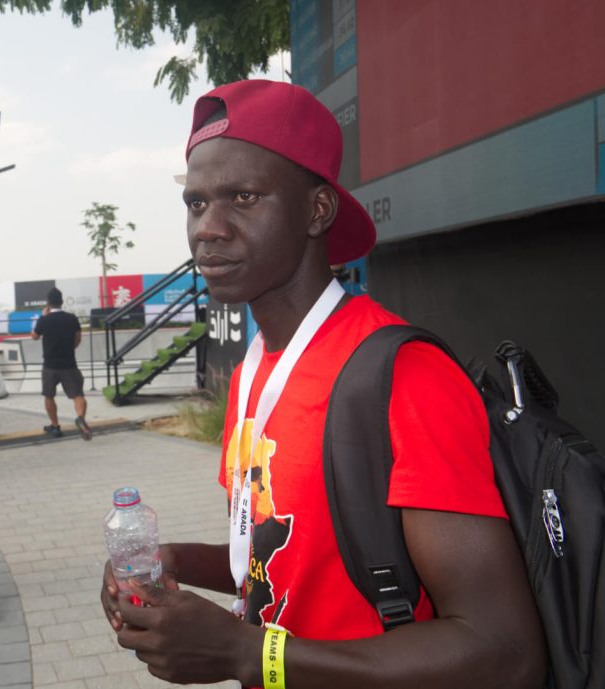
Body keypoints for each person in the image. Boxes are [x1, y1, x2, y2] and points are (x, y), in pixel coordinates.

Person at [99, 79, 545, 689]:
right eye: (197, 203)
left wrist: (247, 657)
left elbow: (503, 651)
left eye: (244, 196)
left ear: (317, 210)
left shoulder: (402, 376)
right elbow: (289, 563)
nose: (209, 227)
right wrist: (170, 562)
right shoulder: (255, 371)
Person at [32, 287, 91, 440]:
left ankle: (55, 426)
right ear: (62, 302)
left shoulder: (44, 319)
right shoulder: (72, 318)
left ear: (48, 303)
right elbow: (77, 339)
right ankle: (81, 418)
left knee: (49, 396)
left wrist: (42, 316)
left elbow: (34, 337)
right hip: (69, 364)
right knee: (77, 395)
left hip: (50, 365)